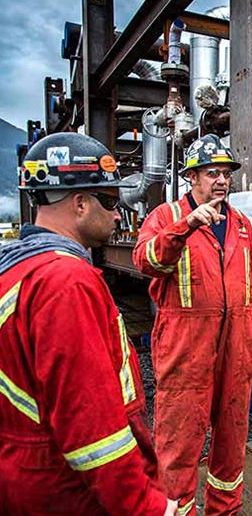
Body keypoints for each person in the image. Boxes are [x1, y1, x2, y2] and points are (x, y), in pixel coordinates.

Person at [0, 133, 176, 515]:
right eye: (110, 201)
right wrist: (149, 507)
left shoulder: (17, 270)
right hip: (67, 493)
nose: (117, 214)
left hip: (30, 478)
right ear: (80, 203)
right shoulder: (65, 283)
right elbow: (96, 437)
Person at [133, 134, 252, 516]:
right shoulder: (166, 216)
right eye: (213, 173)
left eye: (226, 174)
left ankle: (225, 511)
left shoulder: (242, 224)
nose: (222, 181)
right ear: (191, 177)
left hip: (236, 350)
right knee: (178, 447)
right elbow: (145, 262)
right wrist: (186, 227)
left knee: (230, 444)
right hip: (186, 351)